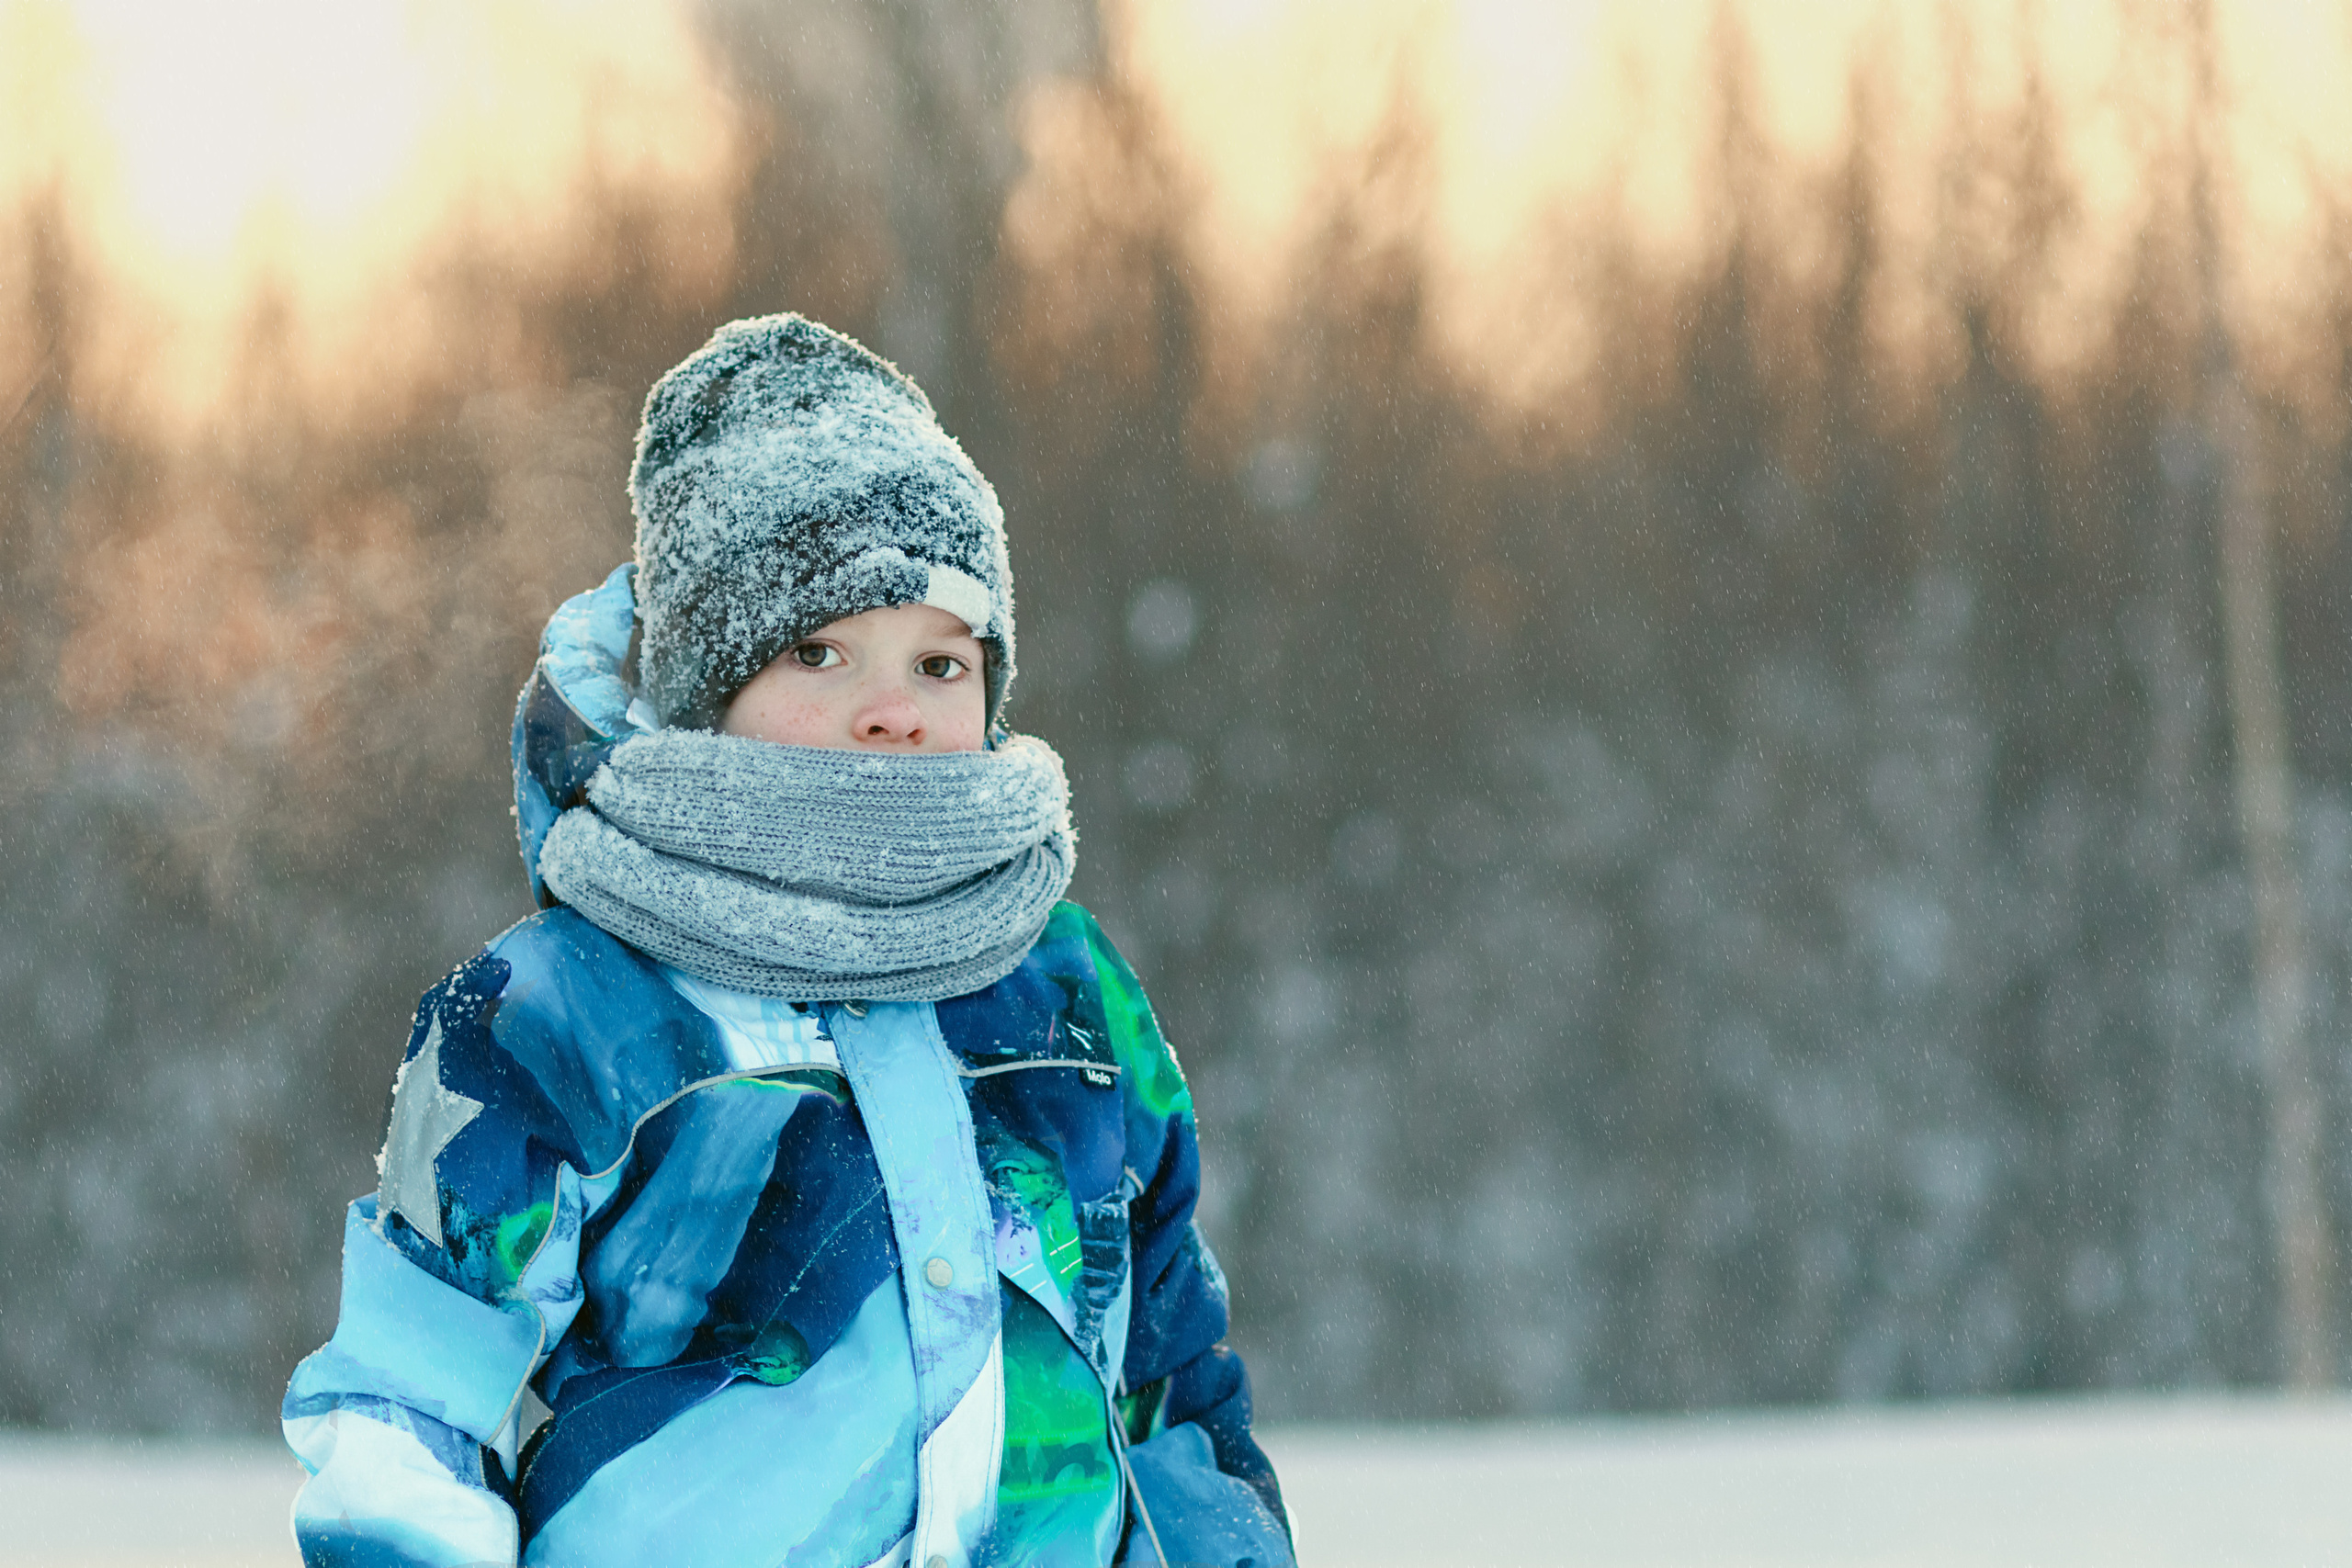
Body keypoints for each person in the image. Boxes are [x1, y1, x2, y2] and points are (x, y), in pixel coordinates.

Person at [281, 314, 1295, 1568]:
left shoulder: (1060, 993)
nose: (892, 712)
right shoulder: (562, 1013)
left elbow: (1170, 1388)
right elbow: (413, 1410)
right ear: (712, 691)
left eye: (940, 660)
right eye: (821, 650)